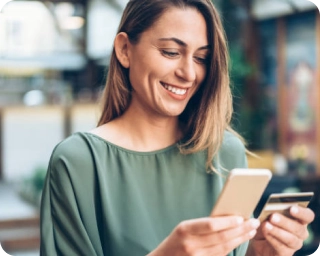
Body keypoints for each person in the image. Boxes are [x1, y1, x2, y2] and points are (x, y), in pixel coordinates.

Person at [40, 0, 315, 255]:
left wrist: (259, 253)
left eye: (201, 58)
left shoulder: (224, 152)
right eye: (171, 52)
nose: (189, 73)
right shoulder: (78, 162)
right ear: (125, 50)